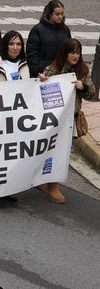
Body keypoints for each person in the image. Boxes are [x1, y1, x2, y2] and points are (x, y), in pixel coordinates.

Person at [39, 38, 95, 204]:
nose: (75, 56)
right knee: (49, 150)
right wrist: (43, 82)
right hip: (53, 120)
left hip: (71, 119)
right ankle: (45, 181)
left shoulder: (82, 71)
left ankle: (53, 185)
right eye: (72, 52)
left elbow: (91, 93)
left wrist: (82, 87)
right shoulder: (52, 69)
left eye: (78, 52)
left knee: (62, 152)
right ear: (65, 53)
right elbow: (41, 94)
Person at [26, 0, 71, 77]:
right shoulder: (37, 30)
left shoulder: (65, 30)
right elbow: (32, 54)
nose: (60, 17)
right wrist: (38, 70)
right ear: (50, 14)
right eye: (57, 14)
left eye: (62, 14)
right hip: (42, 74)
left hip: (62, 73)